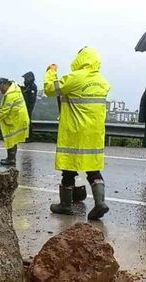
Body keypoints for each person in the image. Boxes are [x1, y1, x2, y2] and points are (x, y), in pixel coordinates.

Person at [44, 47, 111, 220]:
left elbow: (51, 89)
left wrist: (51, 72)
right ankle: (99, 202)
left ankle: (65, 205)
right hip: (94, 133)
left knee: (69, 169)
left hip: (75, 131)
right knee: (93, 169)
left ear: (81, 58)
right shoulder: (102, 81)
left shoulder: (75, 77)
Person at [0, 78, 29, 166]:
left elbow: (5, 110)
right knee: (13, 139)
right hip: (17, 118)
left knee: (11, 138)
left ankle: (11, 159)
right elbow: (4, 104)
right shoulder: (13, 91)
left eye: (0, 88)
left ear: (4, 84)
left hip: (16, 119)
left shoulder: (11, 94)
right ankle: (11, 158)